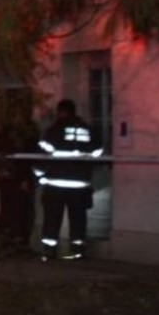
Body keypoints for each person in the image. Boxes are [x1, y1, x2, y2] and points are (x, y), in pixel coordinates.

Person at [33, 99, 102, 261]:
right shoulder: (88, 130)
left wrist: (40, 176)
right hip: (80, 184)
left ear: (60, 112)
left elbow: (42, 156)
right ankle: (77, 250)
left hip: (55, 183)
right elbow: (98, 152)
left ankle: (50, 250)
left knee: (52, 218)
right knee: (78, 218)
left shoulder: (54, 130)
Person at [0, 100, 41, 257]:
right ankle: (14, 240)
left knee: (16, 209)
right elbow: (25, 157)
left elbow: (29, 156)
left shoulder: (7, 133)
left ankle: (14, 240)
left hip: (12, 178)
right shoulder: (18, 134)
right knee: (16, 209)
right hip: (14, 179)